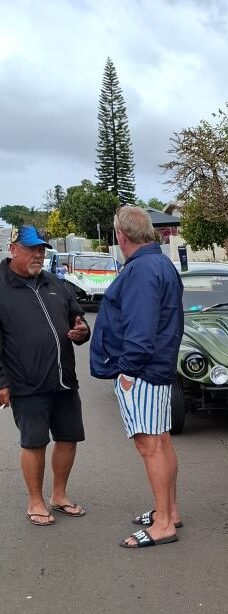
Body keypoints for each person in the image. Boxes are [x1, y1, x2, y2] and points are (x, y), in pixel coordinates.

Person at [90, 205, 184, 549]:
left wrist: (127, 372)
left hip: (142, 370)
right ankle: (169, 511)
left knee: (151, 445)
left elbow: (140, 330)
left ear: (121, 235)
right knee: (161, 440)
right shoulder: (159, 263)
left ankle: (162, 523)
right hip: (155, 368)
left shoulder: (143, 270)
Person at [0, 225, 90, 526]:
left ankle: (59, 495)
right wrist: (2, 381)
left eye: (42, 249)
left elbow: (78, 321)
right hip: (26, 382)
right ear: (13, 249)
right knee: (34, 441)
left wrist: (82, 332)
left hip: (63, 379)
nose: (39, 254)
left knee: (68, 437)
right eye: (31, 249)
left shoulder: (54, 283)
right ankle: (35, 501)